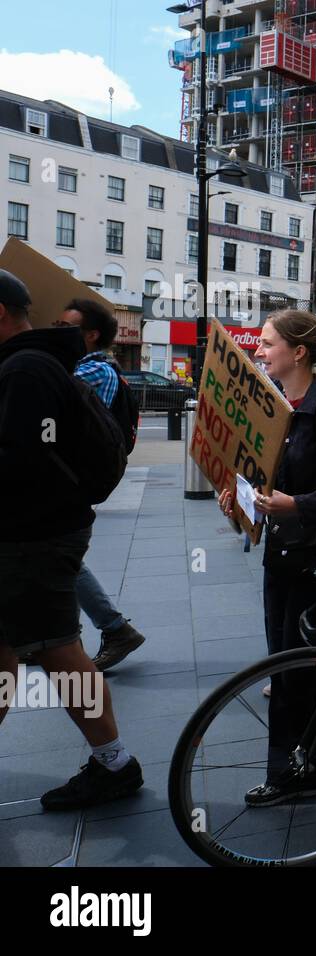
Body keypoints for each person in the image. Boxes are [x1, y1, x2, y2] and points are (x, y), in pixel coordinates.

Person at [0, 270, 143, 809]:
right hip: (27, 531)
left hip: (36, 535)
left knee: (59, 649)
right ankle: (114, 762)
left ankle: (115, 764)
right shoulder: (28, 364)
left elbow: (26, 459)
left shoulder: (26, 368)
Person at [216, 310, 316, 806]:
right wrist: (240, 502)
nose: (259, 351)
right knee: (289, 672)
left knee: (308, 674)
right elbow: (268, 484)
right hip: (282, 557)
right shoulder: (277, 407)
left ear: (298, 352)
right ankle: (302, 769)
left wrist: (296, 505)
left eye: (267, 343)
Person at [52, 300, 148, 672]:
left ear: (90, 335)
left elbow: (54, 396)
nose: (56, 328)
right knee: (59, 559)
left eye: (65, 325)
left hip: (70, 481)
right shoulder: (72, 365)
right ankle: (58, 638)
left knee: (61, 557)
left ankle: (108, 629)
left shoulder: (95, 370)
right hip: (61, 480)